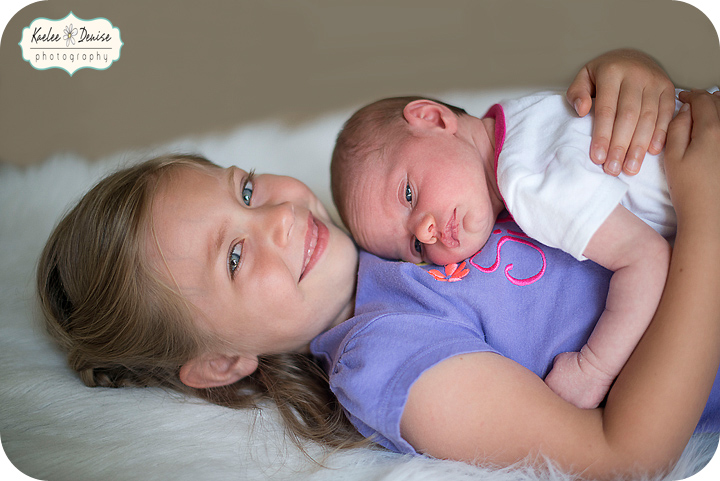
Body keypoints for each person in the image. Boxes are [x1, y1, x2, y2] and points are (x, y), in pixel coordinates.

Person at [35, 49, 720, 478]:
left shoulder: (406, 186)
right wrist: (706, 214)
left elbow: (556, 143)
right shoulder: (385, 356)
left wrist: (630, 82)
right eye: (235, 256)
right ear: (221, 362)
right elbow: (623, 457)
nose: (278, 218)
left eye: (245, 190)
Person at [329, 82, 714, 409]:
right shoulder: (521, 114)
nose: (427, 232)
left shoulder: (526, 182)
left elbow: (647, 258)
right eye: (415, 246)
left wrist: (593, 369)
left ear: (433, 119)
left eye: (408, 194)